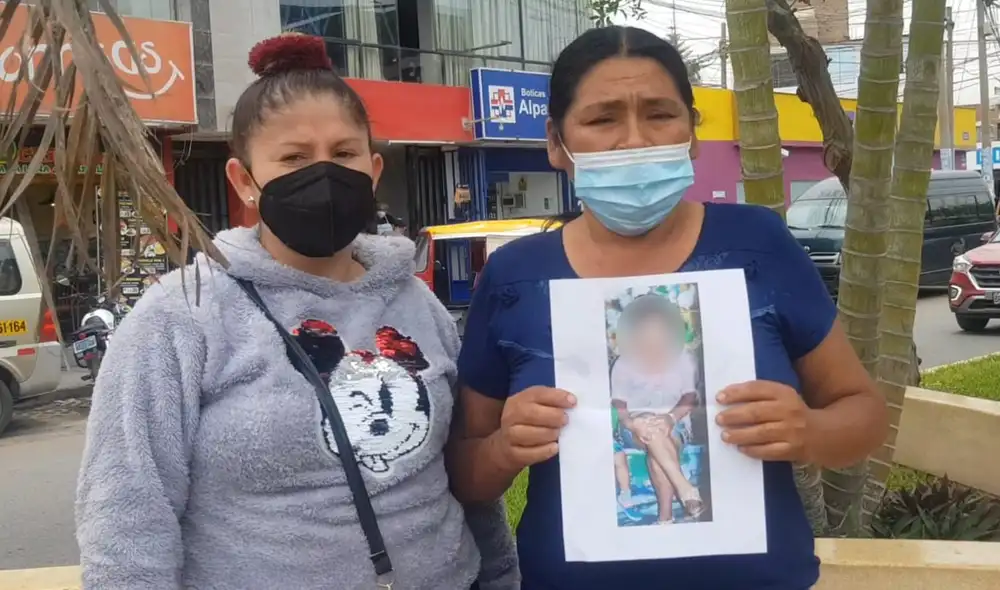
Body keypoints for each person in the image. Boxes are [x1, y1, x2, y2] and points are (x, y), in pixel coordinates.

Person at [447, 25, 888, 590]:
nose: (634, 139)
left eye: (659, 114)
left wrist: (809, 431)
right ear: (557, 142)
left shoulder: (758, 246)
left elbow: (863, 414)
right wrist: (505, 449)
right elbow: (463, 473)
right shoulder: (515, 277)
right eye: (602, 119)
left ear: (693, 133)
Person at [75, 33, 517, 590]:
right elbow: (126, 509)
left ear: (374, 169)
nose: (324, 174)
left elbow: (454, 472)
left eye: (344, 153)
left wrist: (502, 576)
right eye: (293, 158)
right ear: (244, 180)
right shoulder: (182, 314)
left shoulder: (416, 303)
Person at [610, 294, 702, 524]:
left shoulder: (684, 358)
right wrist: (632, 423)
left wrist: (670, 418)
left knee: (658, 440)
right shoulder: (623, 364)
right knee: (653, 431)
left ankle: (665, 518)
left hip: (677, 425)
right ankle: (684, 491)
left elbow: (690, 397)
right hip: (633, 428)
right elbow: (619, 407)